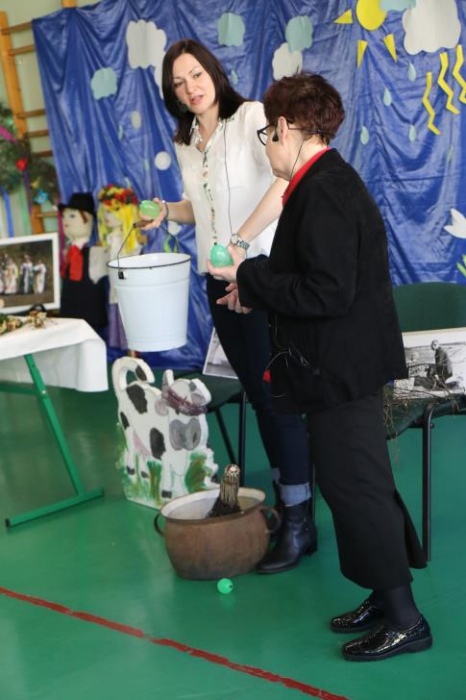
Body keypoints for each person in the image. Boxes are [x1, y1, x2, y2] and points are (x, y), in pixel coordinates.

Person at [207, 72, 432, 661]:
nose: (267, 147)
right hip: (340, 365)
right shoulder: (321, 183)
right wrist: (255, 290)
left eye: (267, 135)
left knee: (357, 489)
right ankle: (384, 596)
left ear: (284, 128)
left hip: (343, 369)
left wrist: (250, 274)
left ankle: (405, 619)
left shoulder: (324, 189)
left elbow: (327, 291)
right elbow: (314, 278)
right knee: (353, 485)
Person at [141, 38, 316, 573]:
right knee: (259, 399)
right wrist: (168, 211)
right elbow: (204, 207)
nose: (190, 88)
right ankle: (289, 507)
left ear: (214, 72)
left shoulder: (252, 119)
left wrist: (240, 243)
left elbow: (284, 183)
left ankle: (301, 521)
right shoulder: (188, 140)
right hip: (218, 283)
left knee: (279, 397)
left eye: (196, 74)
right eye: (179, 83)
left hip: (261, 276)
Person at [97, 184, 141, 349]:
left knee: (131, 318)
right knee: (120, 315)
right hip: (116, 287)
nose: (107, 216)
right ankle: (129, 352)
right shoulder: (110, 239)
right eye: (105, 212)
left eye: (112, 211)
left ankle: (135, 352)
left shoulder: (129, 240)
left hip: (128, 287)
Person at [59, 191, 108, 334]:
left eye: (72, 216)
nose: (66, 221)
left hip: (90, 319)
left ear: (87, 219)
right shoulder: (68, 252)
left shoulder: (97, 253)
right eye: (64, 216)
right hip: (68, 319)